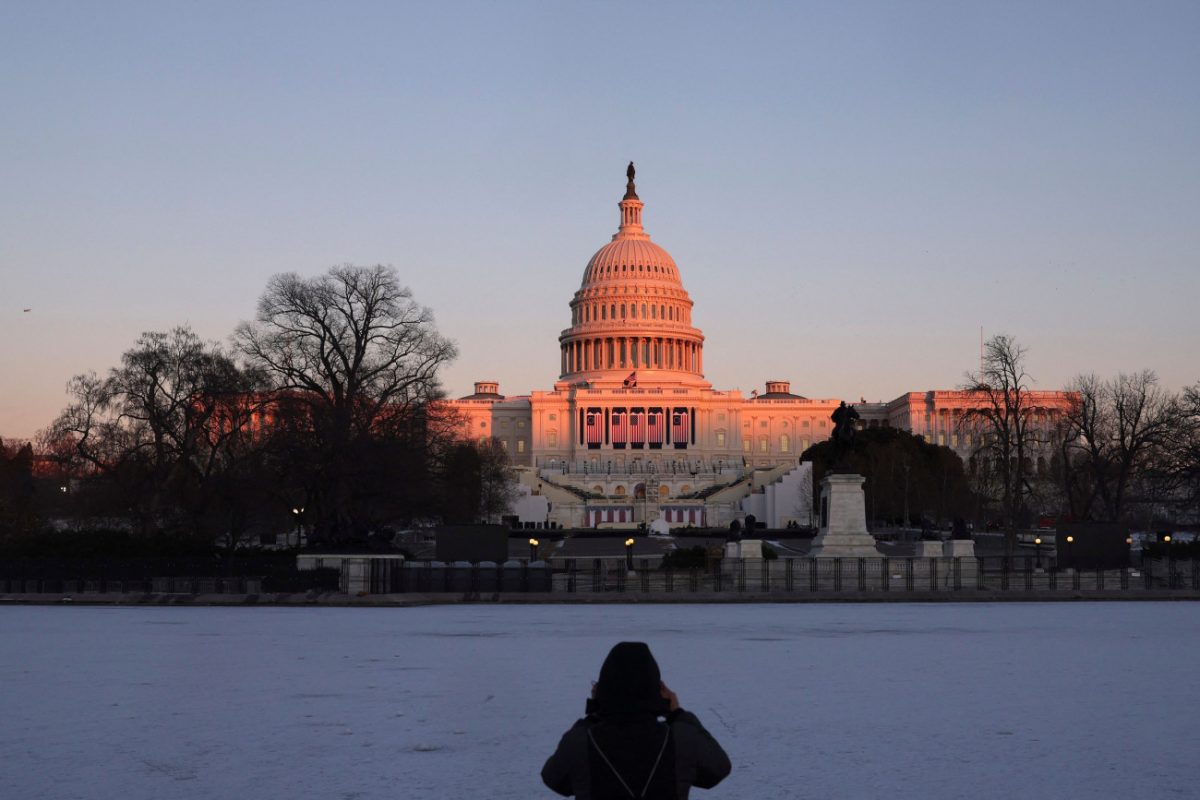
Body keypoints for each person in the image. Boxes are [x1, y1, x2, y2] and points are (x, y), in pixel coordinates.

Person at [542, 642, 731, 799]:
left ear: (603, 691)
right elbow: (717, 771)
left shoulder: (580, 741)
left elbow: (555, 781)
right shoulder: (682, 738)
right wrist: (677, 714)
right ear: (657, 692)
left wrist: (594, 714)